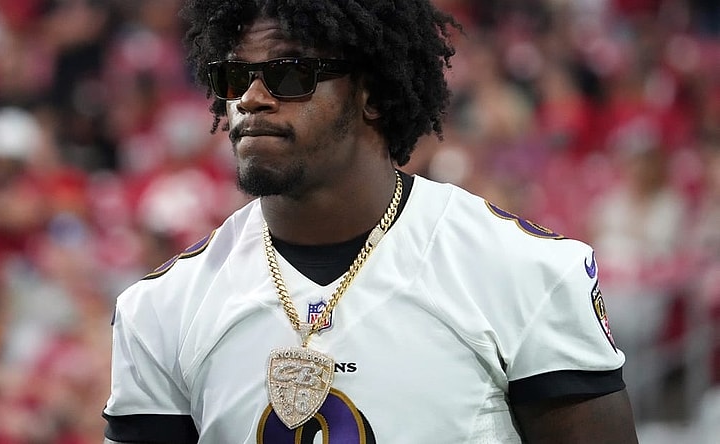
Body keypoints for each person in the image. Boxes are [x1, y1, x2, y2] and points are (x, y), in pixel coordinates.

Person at [102, 1, 639, 442]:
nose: (250, 99)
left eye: (289, 75)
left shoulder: (525, 271)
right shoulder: (160, 310)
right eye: (234, 76)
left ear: (373, 95)